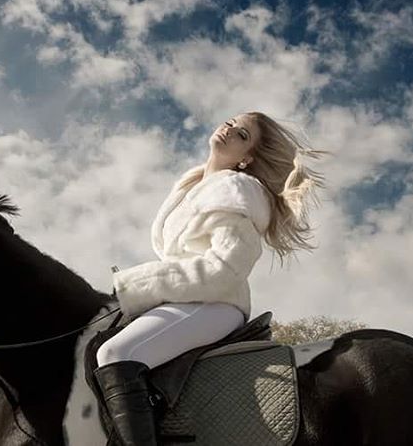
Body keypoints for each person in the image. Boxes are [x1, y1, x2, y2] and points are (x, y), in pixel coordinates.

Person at [93, 111, 328, 445]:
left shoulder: (235, 189)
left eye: (242, 135)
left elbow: (225, 269)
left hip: (215, 302)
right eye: (231, 123)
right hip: (180, 300)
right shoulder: (192, 186)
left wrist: (137, 285)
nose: (229, 129)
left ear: (247, 159)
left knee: (116, 354)